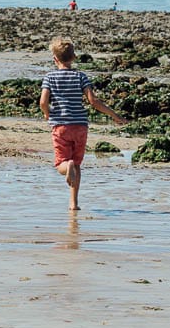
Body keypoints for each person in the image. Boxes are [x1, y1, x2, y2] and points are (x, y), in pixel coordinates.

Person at [39, 36, 125, 211]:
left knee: (61, 164)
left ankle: (67, 168)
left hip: (61, 126)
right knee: (77, 164)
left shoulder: (50, 77)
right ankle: (74, 203)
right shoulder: (81, 76)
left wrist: (47, 114)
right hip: (80, 126)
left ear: (55, 59)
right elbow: (93, 101)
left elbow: (43, 102)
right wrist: (114, 116)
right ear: (74, 57)